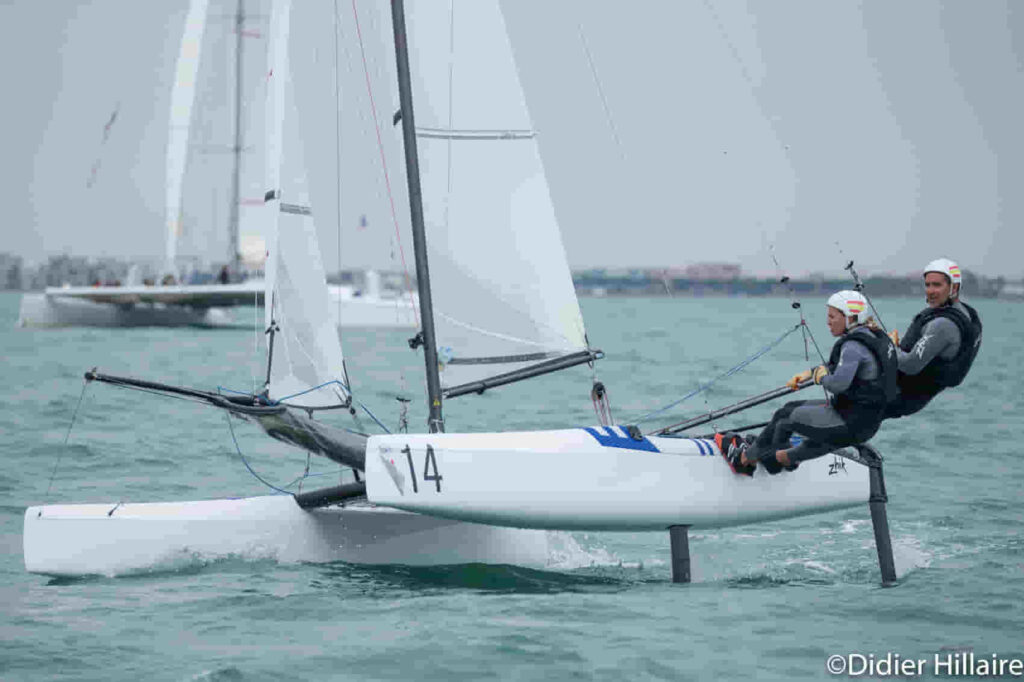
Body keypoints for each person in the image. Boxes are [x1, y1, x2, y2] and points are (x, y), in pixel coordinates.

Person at [721, 290, 898, 476]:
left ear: (851, 318)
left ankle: (743, 459)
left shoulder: (852, 346)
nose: (828, 321)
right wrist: (809, 373)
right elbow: (846, 368)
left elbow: (837, 385)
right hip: (867, 424)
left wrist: (820, 377)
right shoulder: (875, 337)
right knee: (793, 418)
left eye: (832, 316)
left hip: (848, 422)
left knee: (784, 417)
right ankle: (780, 460)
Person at [883, 258, 982, 419]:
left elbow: (909, 365)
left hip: (897, 396)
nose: (930, 291)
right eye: (928, 285)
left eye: (937, 285)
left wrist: (890, 346)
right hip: (912, 398)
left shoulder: (943, 325)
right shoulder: (966, 313)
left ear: (954, 287)